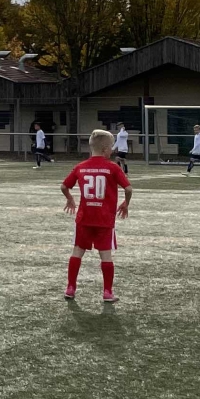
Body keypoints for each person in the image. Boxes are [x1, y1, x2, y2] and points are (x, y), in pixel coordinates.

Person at [61, 128, 131, 303]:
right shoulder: (112, 167)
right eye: (111, 147)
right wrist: (126, 203)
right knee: (105, 255)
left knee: (77, 252)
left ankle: (70, 288)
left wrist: (70, 199)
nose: (112, 150)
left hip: (84, 218)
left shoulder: (81, 167)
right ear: (106, 149)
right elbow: (128, 188)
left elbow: (64, 186)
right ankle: (107, 292)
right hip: (104, 219)